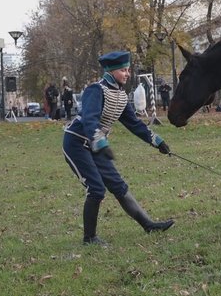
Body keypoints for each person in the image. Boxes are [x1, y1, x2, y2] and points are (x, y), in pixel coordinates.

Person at [63, 51, 174, 245]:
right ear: (111, 71)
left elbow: (135, 124)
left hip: (97, 146)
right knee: (96, 189)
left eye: (128, 69)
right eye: (123, 70)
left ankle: (148, 225)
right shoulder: (95, 90)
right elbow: (90, 120)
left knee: (118, 185)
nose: (127, 74)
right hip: (77, 143)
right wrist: (101, 142)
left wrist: (157, 142)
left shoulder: (121, 96)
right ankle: (89, 238)